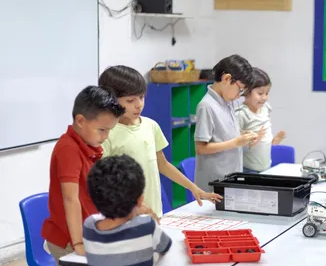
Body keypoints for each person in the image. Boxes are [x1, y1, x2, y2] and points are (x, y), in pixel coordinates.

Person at [83, 155, 202, 266]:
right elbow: (165, 245)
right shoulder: (145, 226)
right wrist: (148, 214)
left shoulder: (89, 227)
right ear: (140, 199)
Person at [41, 86, 125, 266]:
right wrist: (78, 244)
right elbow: (70, 199)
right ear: (80, 121)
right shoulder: (69, 148)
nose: (106, 136)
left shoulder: (88, 146)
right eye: (102, 129)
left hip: (82, 234)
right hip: (68, 237)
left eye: (109, 130)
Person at [99, 65, 222, 217]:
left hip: (155, 211)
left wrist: (193, 188)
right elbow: (102, 181)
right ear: (111, 100)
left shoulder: (151, 126)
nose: (139, 104)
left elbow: (162, 164)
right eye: (130, 100)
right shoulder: (106, 134)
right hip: (124, 216)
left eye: (142, 97)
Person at [194, 54, 258, 191]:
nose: (238, 96)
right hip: (214, 183)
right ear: (227, 78)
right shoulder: (206, 106)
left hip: (231, 176)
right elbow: (201, 148)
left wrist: (243, 136)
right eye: (240, 90)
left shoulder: (229, 102)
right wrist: (235, 142)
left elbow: (222, 134)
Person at [235, 67, 286, 173]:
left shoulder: (265, 108)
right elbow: (235, 142)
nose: (264, 98)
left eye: (267, 93)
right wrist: (252, 141)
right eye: (260, 93)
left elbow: (264, 138)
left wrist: (273, 141)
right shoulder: (242, 113)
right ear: (246, 91)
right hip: (248, 170)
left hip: (266, 166)